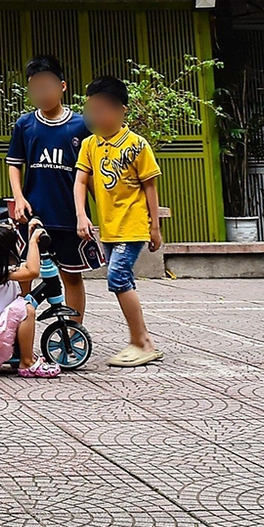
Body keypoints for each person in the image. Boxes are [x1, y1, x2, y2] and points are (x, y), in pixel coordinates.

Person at [73, 76, 163, 368]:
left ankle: (141, 342)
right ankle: (143, 340)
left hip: (133, 226)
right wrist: (82, 215)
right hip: (109, 228)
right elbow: (80, 181)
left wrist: (155, 227)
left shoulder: (137, 145)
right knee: (122, 280)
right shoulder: (90, 145)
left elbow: (150, 186)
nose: (97, 115)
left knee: (118, 278)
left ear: (121, 109)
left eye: (103, 109)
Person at [6, 54, 90, 322]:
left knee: (71, 276)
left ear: (63, 86)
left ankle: (74, 334)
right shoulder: (25, 124)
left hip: (67, 214)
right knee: (26, 274)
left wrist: (84, 214)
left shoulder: (82, 125)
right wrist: (19, 198)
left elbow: (89, 173)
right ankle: (20, 332)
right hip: (33, 215)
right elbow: (14, 164)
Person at [0, 221, 61, 378]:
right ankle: (27, 363)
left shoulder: (0, 272)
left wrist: (31, 235)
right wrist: (33, 242)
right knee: (26, 308)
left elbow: (26, 286)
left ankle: (23, 356)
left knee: (24, 305)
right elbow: (33, 271)